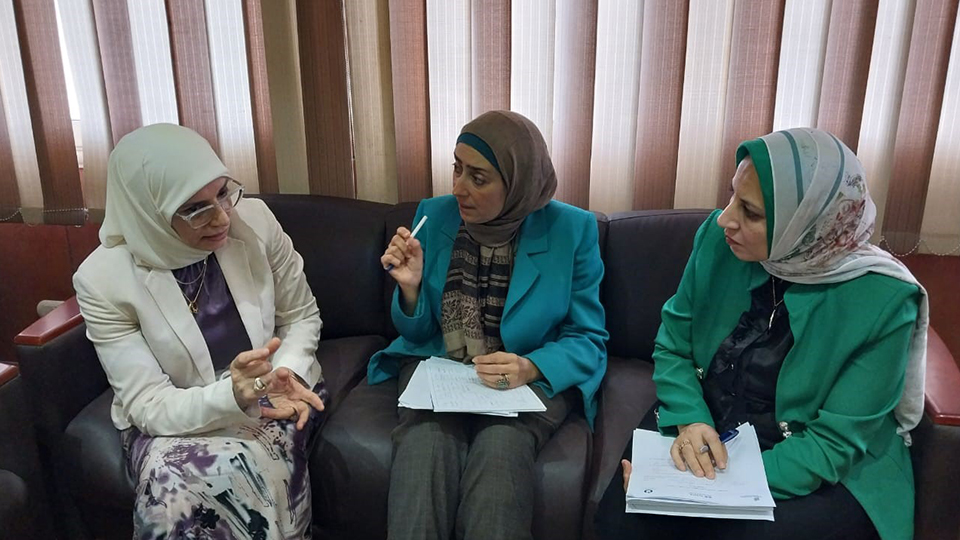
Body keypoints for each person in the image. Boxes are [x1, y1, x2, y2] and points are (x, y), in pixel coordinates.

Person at [595, 127, 928, 540]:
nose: (725, 219)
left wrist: (704, 488)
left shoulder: (884, 300)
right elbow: (674, 345)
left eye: (750, 212)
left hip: (816, 459)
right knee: (624, 518)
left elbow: (833, 445)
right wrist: (691, 420)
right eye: (732, 195)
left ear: (806, 223)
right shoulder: (717, 243)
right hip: (704, 425)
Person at [73, 123, 326, 538]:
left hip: (275, 393)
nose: (222, 216)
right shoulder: (103, 280)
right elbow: (148, 402)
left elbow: (301, 315)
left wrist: (286, 374)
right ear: (146, 211)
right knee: (173, 483)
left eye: (223, 193)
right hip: (179, 415)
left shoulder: (256, 222)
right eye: (195, 208)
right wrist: (232, 395)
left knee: (243, 467)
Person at [369, 110, 608, 540]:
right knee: (425, 443)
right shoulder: (434, 216)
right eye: (457, 169)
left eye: (478, 178)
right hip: (443, 370)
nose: (458, 188)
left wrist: (530, 367)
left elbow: (588, 338)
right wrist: (410, 289)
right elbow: (419, 333)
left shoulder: (572, 230)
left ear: (518, 184)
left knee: (502, 447)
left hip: (523, 381)